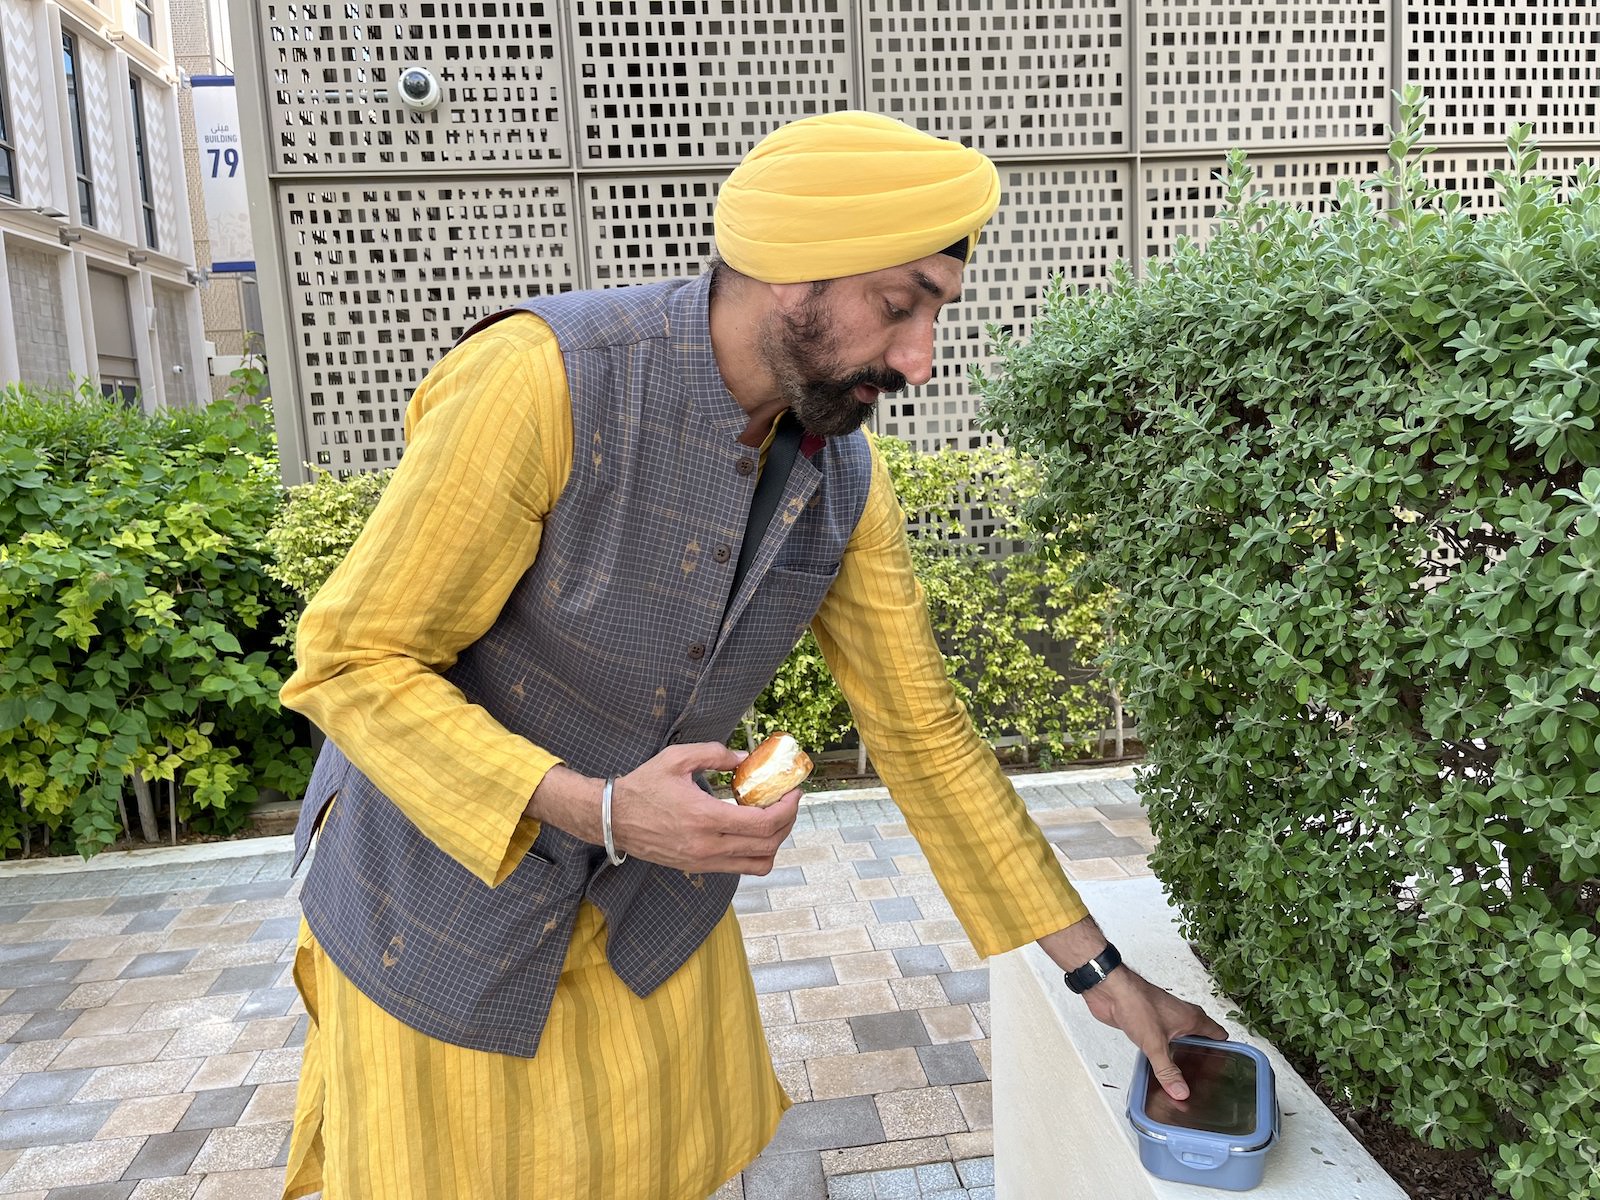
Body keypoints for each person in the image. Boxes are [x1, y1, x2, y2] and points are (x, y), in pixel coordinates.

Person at [278, 109, 1225, 1200]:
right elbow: (352, 659)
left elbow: (921, 734)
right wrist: (596, 806)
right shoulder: (542, 380)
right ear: (794, 273)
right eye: (897, 304)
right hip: (436, 928)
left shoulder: (845, 481)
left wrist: (1100, 976)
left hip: (649, 928)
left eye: (934, 316)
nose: (917, 358)